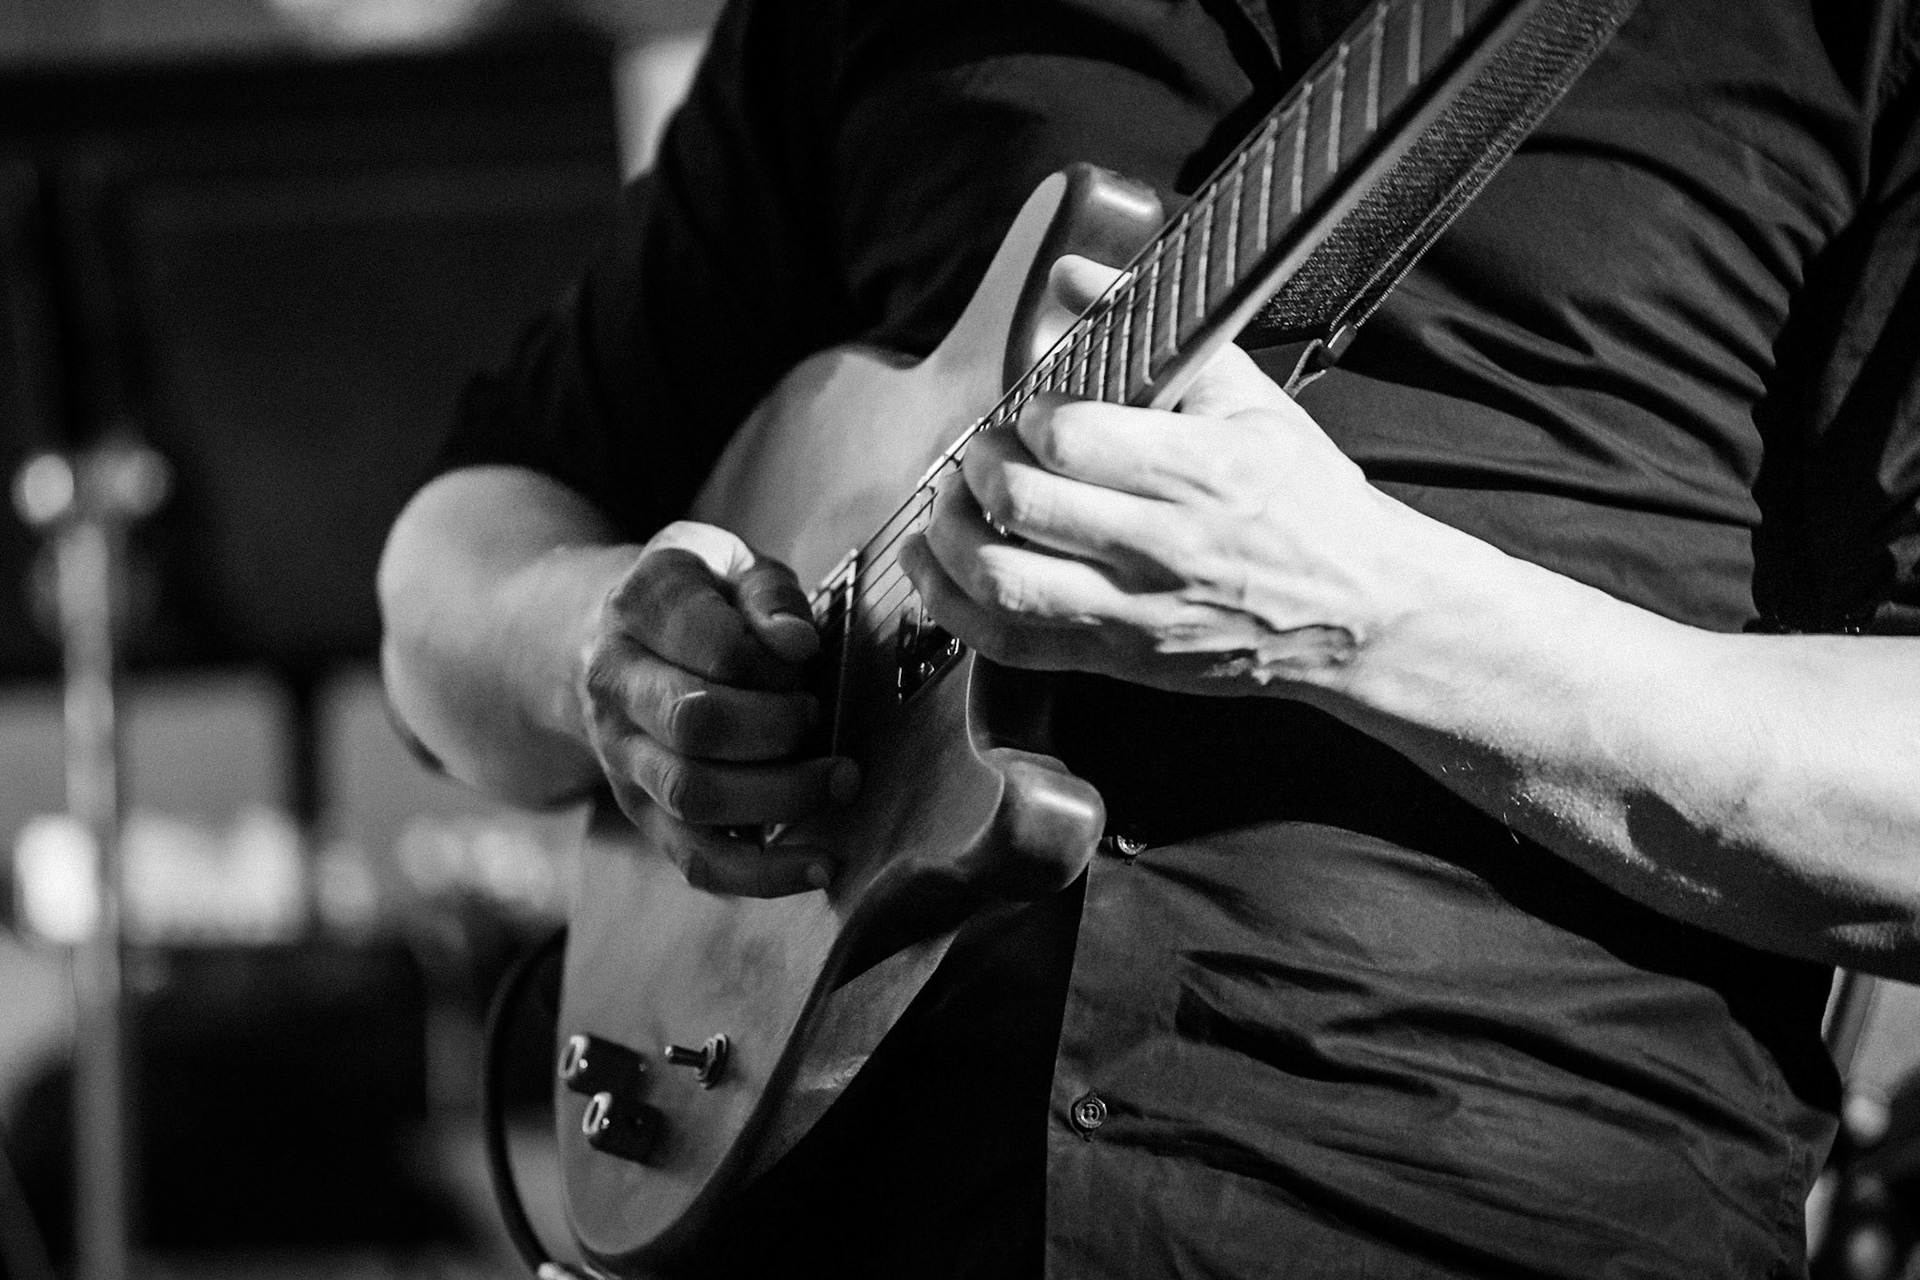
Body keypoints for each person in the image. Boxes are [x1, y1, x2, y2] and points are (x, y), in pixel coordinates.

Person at [377, 0, 1920, 1275]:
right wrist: (605, 656)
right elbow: (442, 579)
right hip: (834, 1206)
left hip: (1483, 1207)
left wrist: (1365, 612)